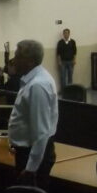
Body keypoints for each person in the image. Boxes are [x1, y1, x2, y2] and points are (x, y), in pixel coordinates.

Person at [7, 40, 58, 185]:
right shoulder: (31, 80)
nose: (13, 61)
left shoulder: (38, 85)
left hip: (33, 156)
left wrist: (31, 168)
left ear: (29, 61)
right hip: (27, 151)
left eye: (17, 57)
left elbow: (41, 131)